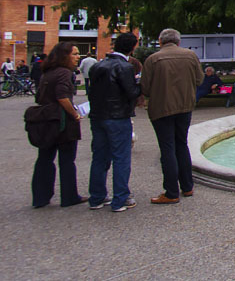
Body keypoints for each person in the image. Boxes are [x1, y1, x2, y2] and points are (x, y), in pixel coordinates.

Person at [141, 28, 202, 204]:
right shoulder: (191, 56)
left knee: (167, 148)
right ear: (178, 41)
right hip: (185, 107)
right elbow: (199, 79)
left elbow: (144, 88)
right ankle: (188, 186)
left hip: (162, 109)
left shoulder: (153, 59)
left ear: (160, 41)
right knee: (182, 144)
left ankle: (171, 192)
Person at [87, 33, 141, 212]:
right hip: (117, 117)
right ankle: (120, 198)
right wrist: (140, 84)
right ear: (133, 47)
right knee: (121, 158)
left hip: (98, 116)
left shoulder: (97, 65)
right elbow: (131, 92)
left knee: (100, 157)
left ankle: (96, 197)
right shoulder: (124, 67)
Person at [30, 42, 85, 208]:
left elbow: (39, 96)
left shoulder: (48, 72)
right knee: (67, 160)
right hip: (61, 121)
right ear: (64, 56)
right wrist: (74, 114)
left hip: (46, 120)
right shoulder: (64, 73)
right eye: (74, 54)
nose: (78, 57)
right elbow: (62, 97)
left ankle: (40, 197)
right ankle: (69, 196)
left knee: (45, 158)